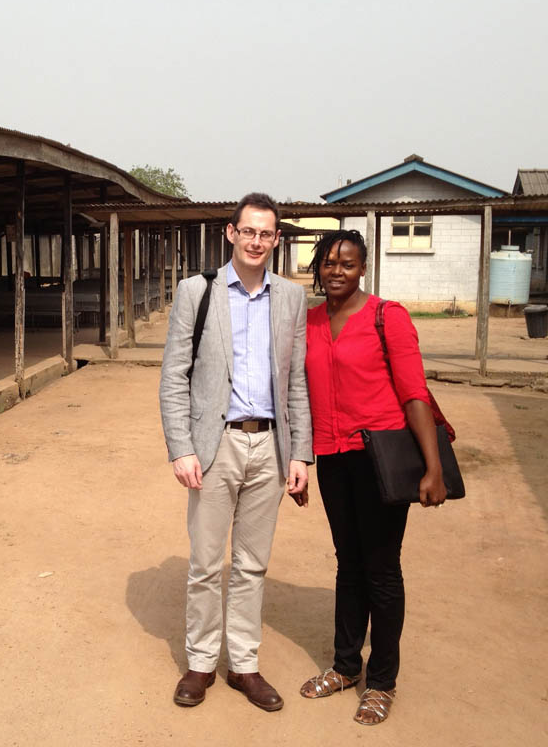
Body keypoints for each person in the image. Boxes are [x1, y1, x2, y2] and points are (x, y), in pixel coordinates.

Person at [159, 192, 313, 712]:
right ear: (231, 233)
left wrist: (300, 453)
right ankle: (201, 662)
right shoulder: (197, 292)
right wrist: (181, 448)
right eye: (248, 231)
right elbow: (174, 376)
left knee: (252, 565)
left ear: (277, 239)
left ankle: (243, 664)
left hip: (270, 445)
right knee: (205, 563)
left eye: (266, 233)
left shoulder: (291, 298)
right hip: (215, 444)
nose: (256, 241)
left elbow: (296, 382)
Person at [299, 229, 446, 725]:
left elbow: (414, 393)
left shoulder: (388, 316)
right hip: (332, 456)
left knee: (381, 569)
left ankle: (382, 680)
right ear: (318, 268)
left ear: (363, 268)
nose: (337, 271)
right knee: (348, 563)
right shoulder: (310, 321)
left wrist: (433, 468)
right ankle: (346, 666)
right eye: (329, 262)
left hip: (379, 458)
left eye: (348, 263)